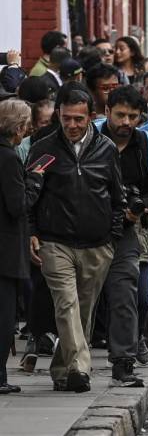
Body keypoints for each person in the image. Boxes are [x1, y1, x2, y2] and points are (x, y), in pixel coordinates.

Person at [28, 85, 125, 393]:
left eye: (78, 119)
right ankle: (81, 369)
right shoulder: (43, 149)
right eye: (66, 118)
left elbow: (117, 196)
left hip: (98, 244)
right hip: (55, 242)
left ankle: (61, 369)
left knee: (83, 311)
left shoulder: (106, 148)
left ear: (91, 117)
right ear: (58, 115)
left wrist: (113, 235)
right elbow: (31, 196)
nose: (72, 125)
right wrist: (32, 233)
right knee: (66, 304)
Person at [98, 86, 148, 387]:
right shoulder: (91, 141)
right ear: (107, 113)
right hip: (87, 229)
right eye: (120, 115)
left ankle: (123, 361)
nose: (126, 122)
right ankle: (69, 358)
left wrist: (141, 208)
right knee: (79, 299)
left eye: (132, 117)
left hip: (127, 230)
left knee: (128, 291)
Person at [0, 99, 33, 395]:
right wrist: (33, 182)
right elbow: (17, 205)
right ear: (19, 128)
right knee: (5, 314)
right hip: (5, 250)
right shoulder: (9, 158)